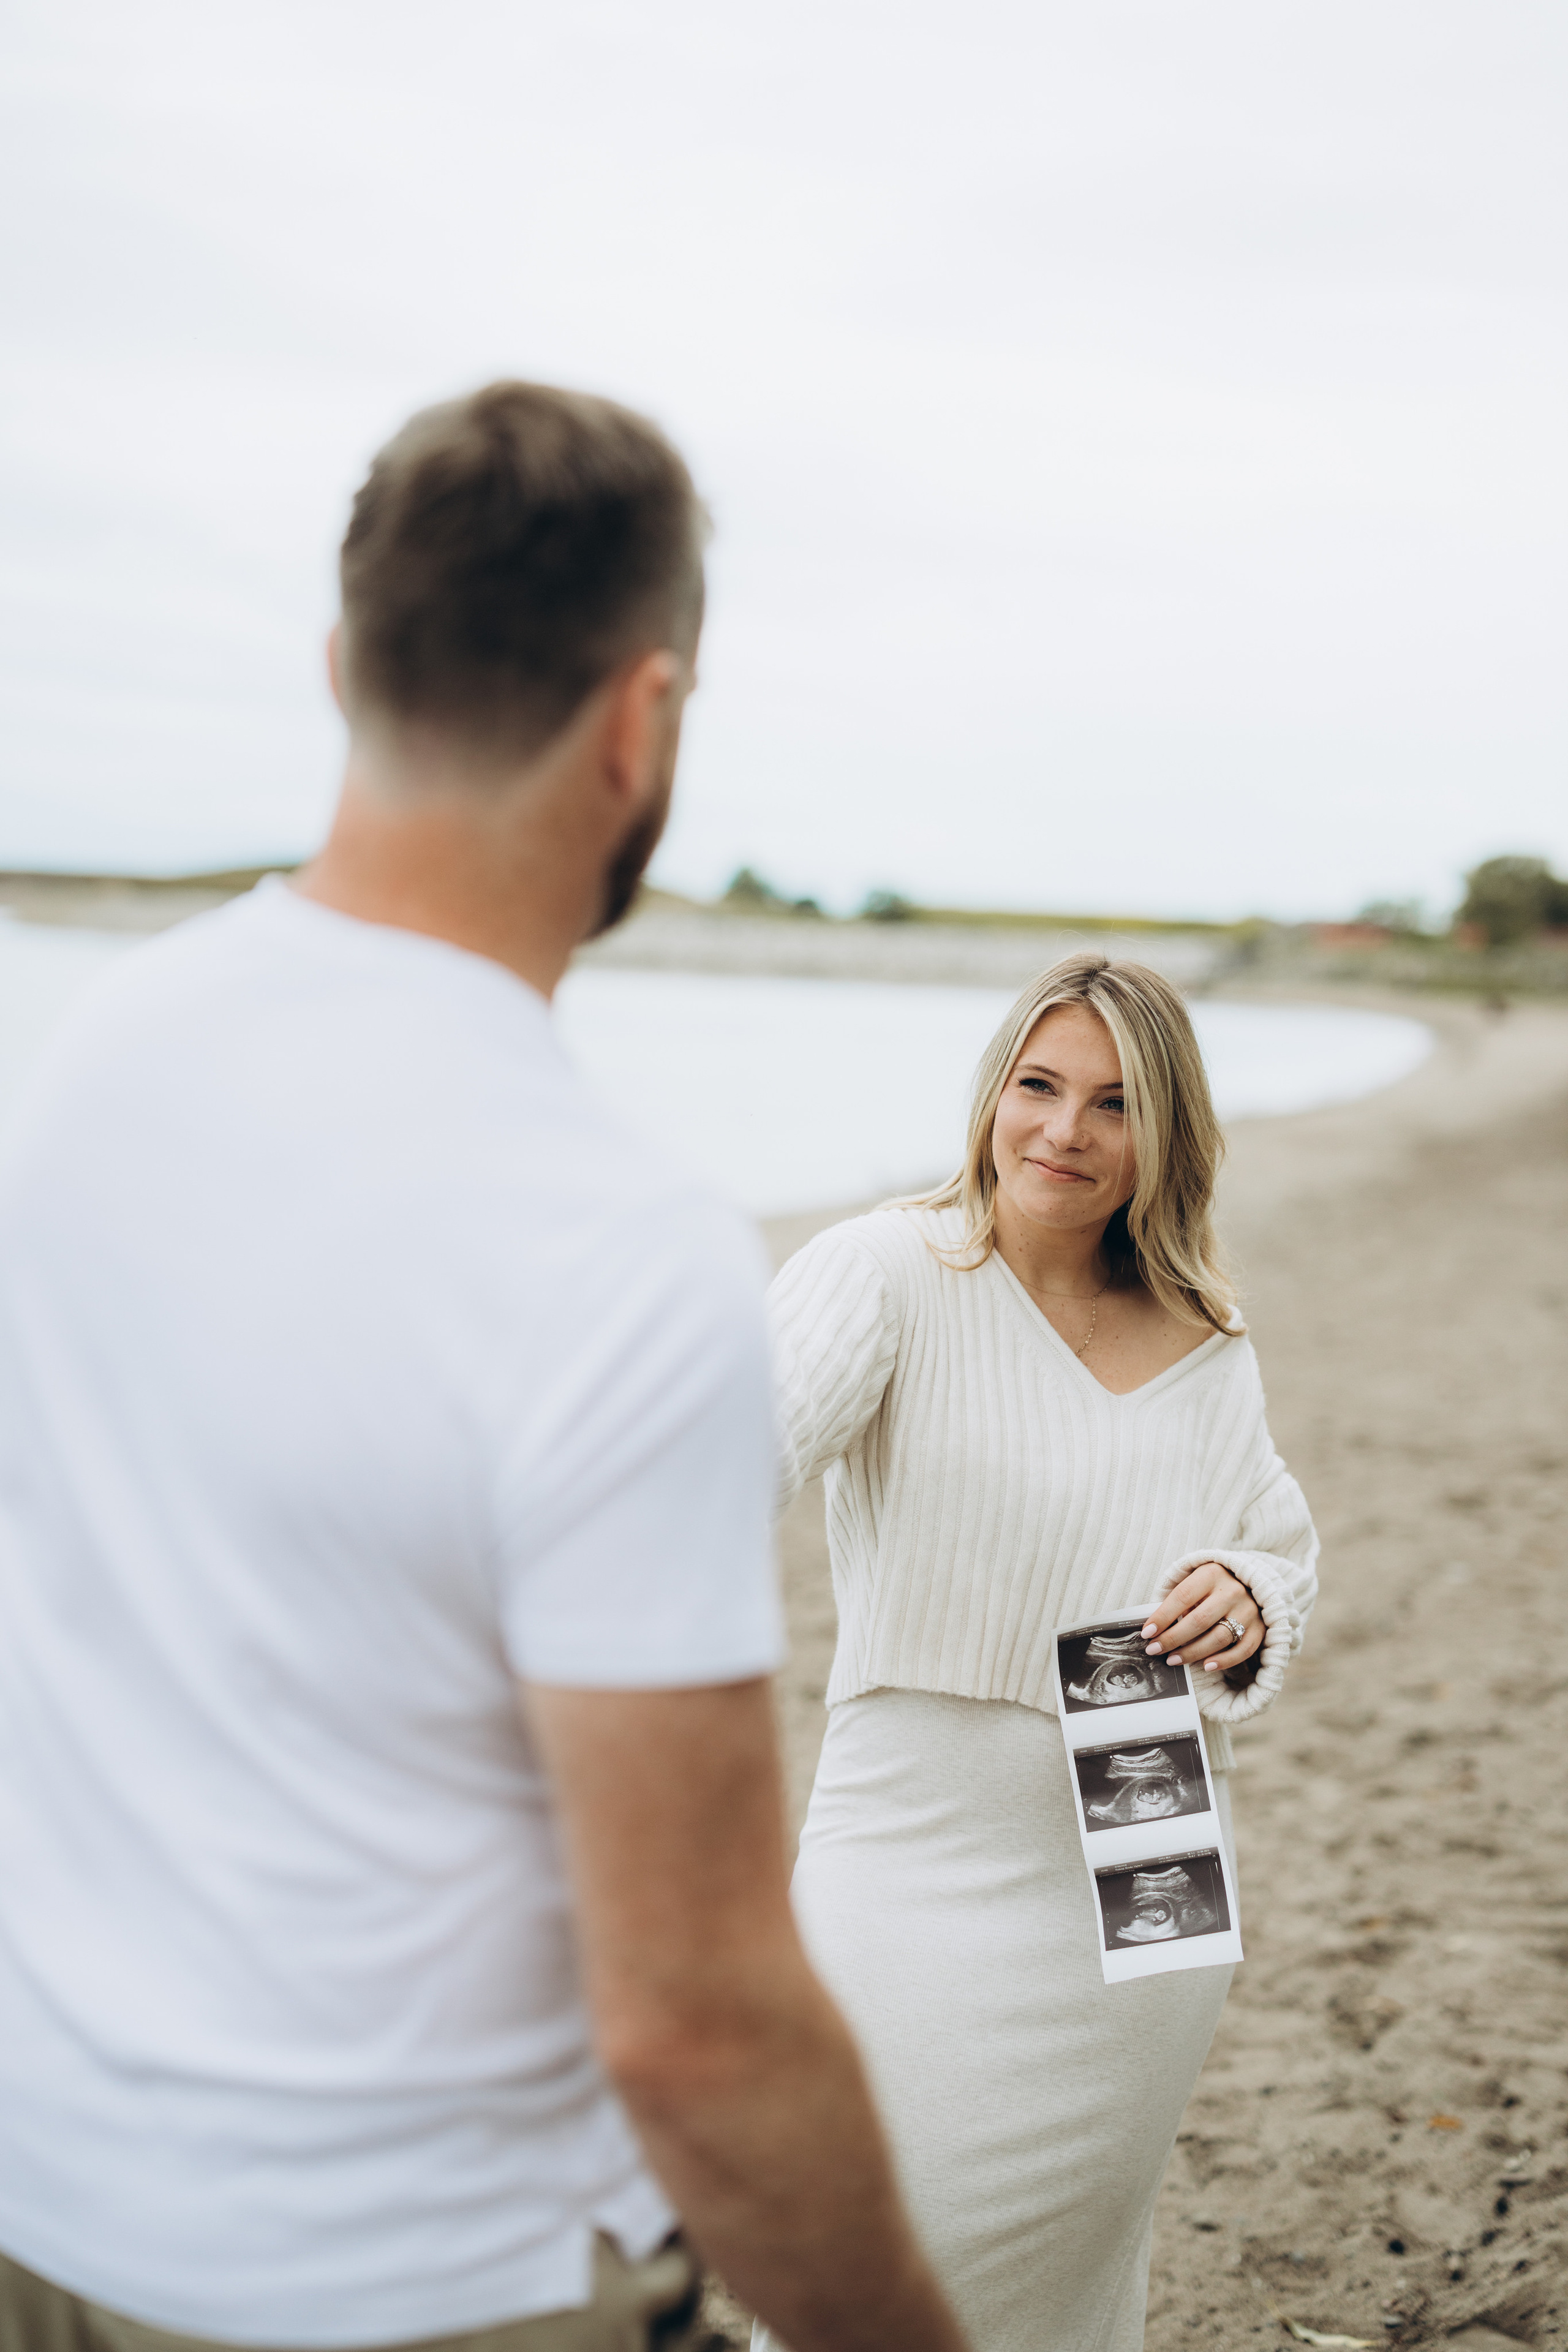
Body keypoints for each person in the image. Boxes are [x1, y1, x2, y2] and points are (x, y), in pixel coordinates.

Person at [0, 383, 967, 2352]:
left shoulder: (78, 1071)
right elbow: (696, 2021)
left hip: (56, 2219)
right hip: (418, 2280)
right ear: (644, 722)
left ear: (347, 664)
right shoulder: (612, 1253)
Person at [754, 956, 1320, 2352]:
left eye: (1114, 1104)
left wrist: (1247, 1600)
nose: (1063, 1131)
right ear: (994, 1093)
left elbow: (1276, 1546)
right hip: (911, 1841)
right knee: (869, 2277)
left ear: (1165, 1134)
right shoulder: (885, 1271)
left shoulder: (1206, 1337)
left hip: (1151, 1842)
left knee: (1059, 2295)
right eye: (1039, 1086)